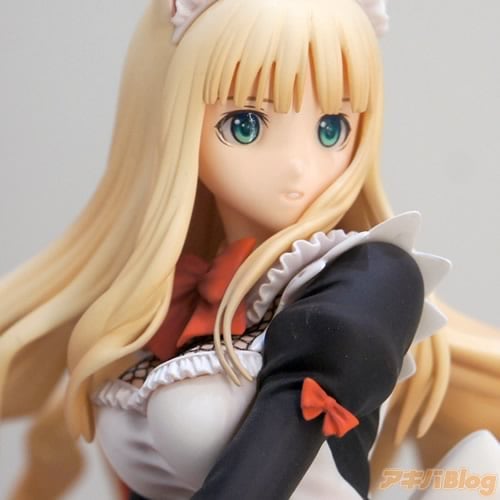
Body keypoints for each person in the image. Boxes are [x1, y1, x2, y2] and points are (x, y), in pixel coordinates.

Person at [1, 1, 499, 499]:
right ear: (168, 116)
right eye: (246, 124)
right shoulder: (165, 300)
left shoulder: (370, 279)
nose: (297, 166)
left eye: (331, 128)